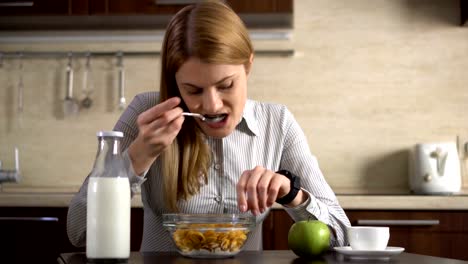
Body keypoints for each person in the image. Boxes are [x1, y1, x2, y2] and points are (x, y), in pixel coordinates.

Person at [67, 0, 350, 252]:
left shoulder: (278, 122)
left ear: (248, 66)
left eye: (226, 85)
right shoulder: (146, 112)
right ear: (174, 81)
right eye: (193, 90)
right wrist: (137, 156)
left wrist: (292, 194)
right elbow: (79, 231)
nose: (212, 105)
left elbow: (343, 235)